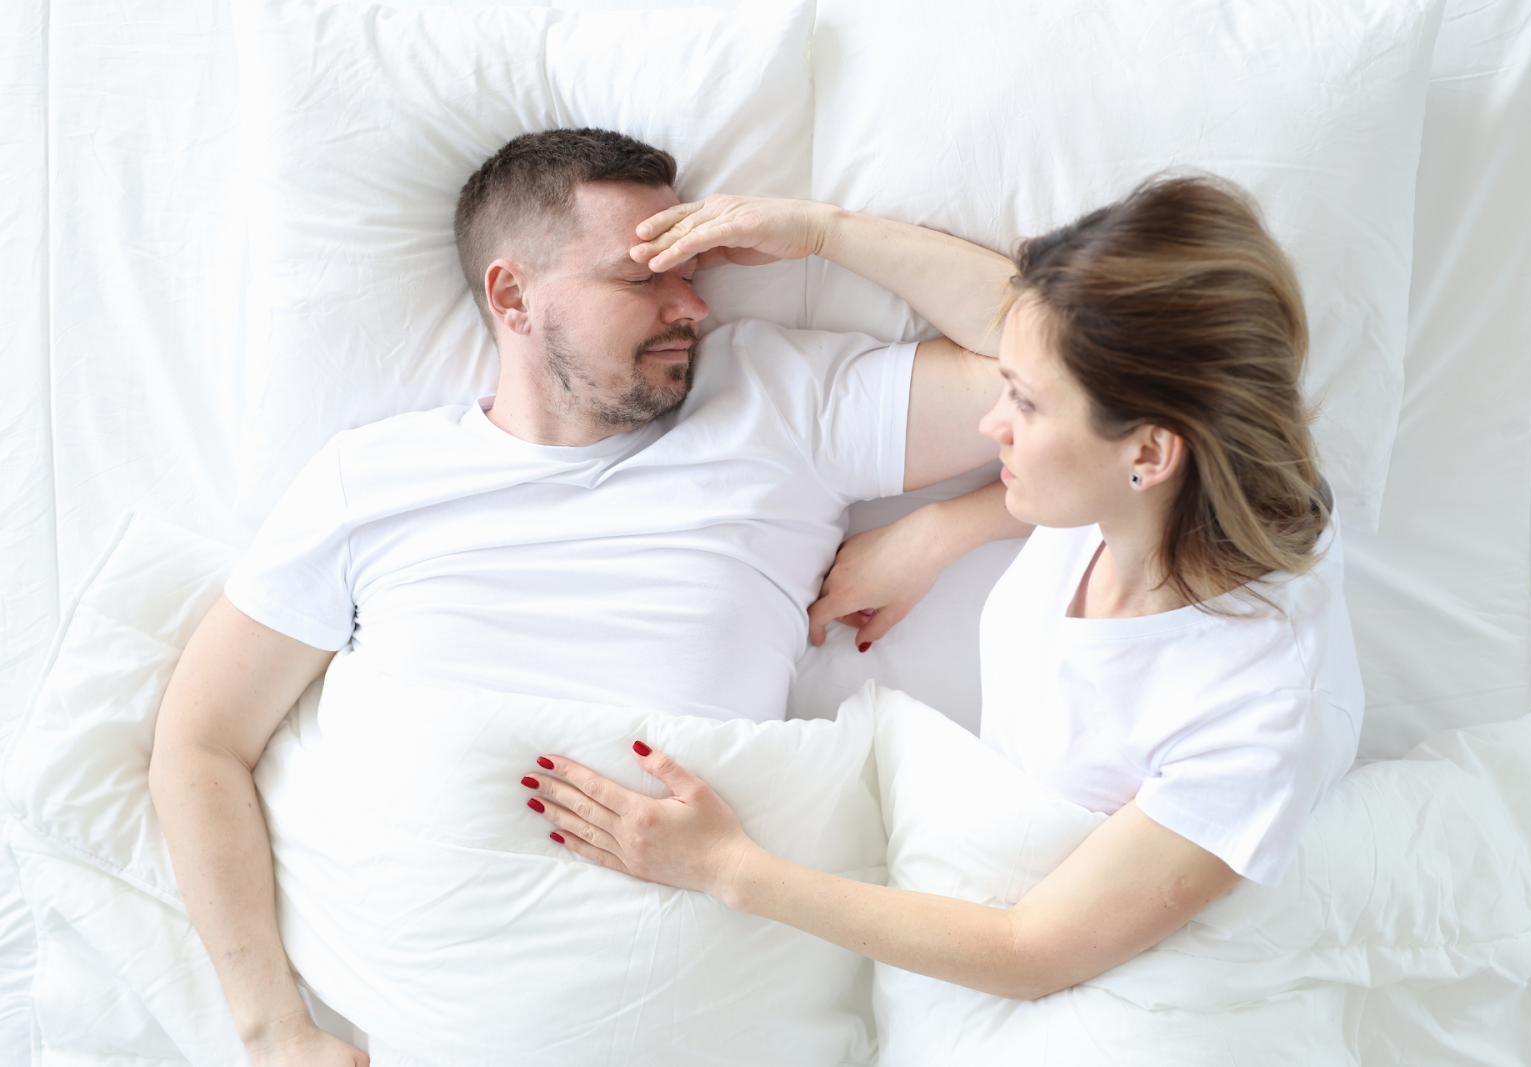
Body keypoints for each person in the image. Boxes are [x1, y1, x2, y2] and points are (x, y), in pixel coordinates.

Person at [148, 128, 1015, 1065]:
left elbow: (1074, 367)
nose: (691, 305)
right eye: (641, 279)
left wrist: (828, 236)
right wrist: (274, 1029)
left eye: (694, 272)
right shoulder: (374, 481)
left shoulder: (780, 402)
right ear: (512, 295)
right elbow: (200, 744)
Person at [524, 174, 1364, 1000]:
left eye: (1025, 406)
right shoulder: (1163, 481)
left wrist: (726, 868)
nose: (993, 421)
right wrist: (822, 232)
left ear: (1147, 454)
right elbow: (1033, 328)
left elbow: (1030, 950)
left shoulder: (1258, 708)